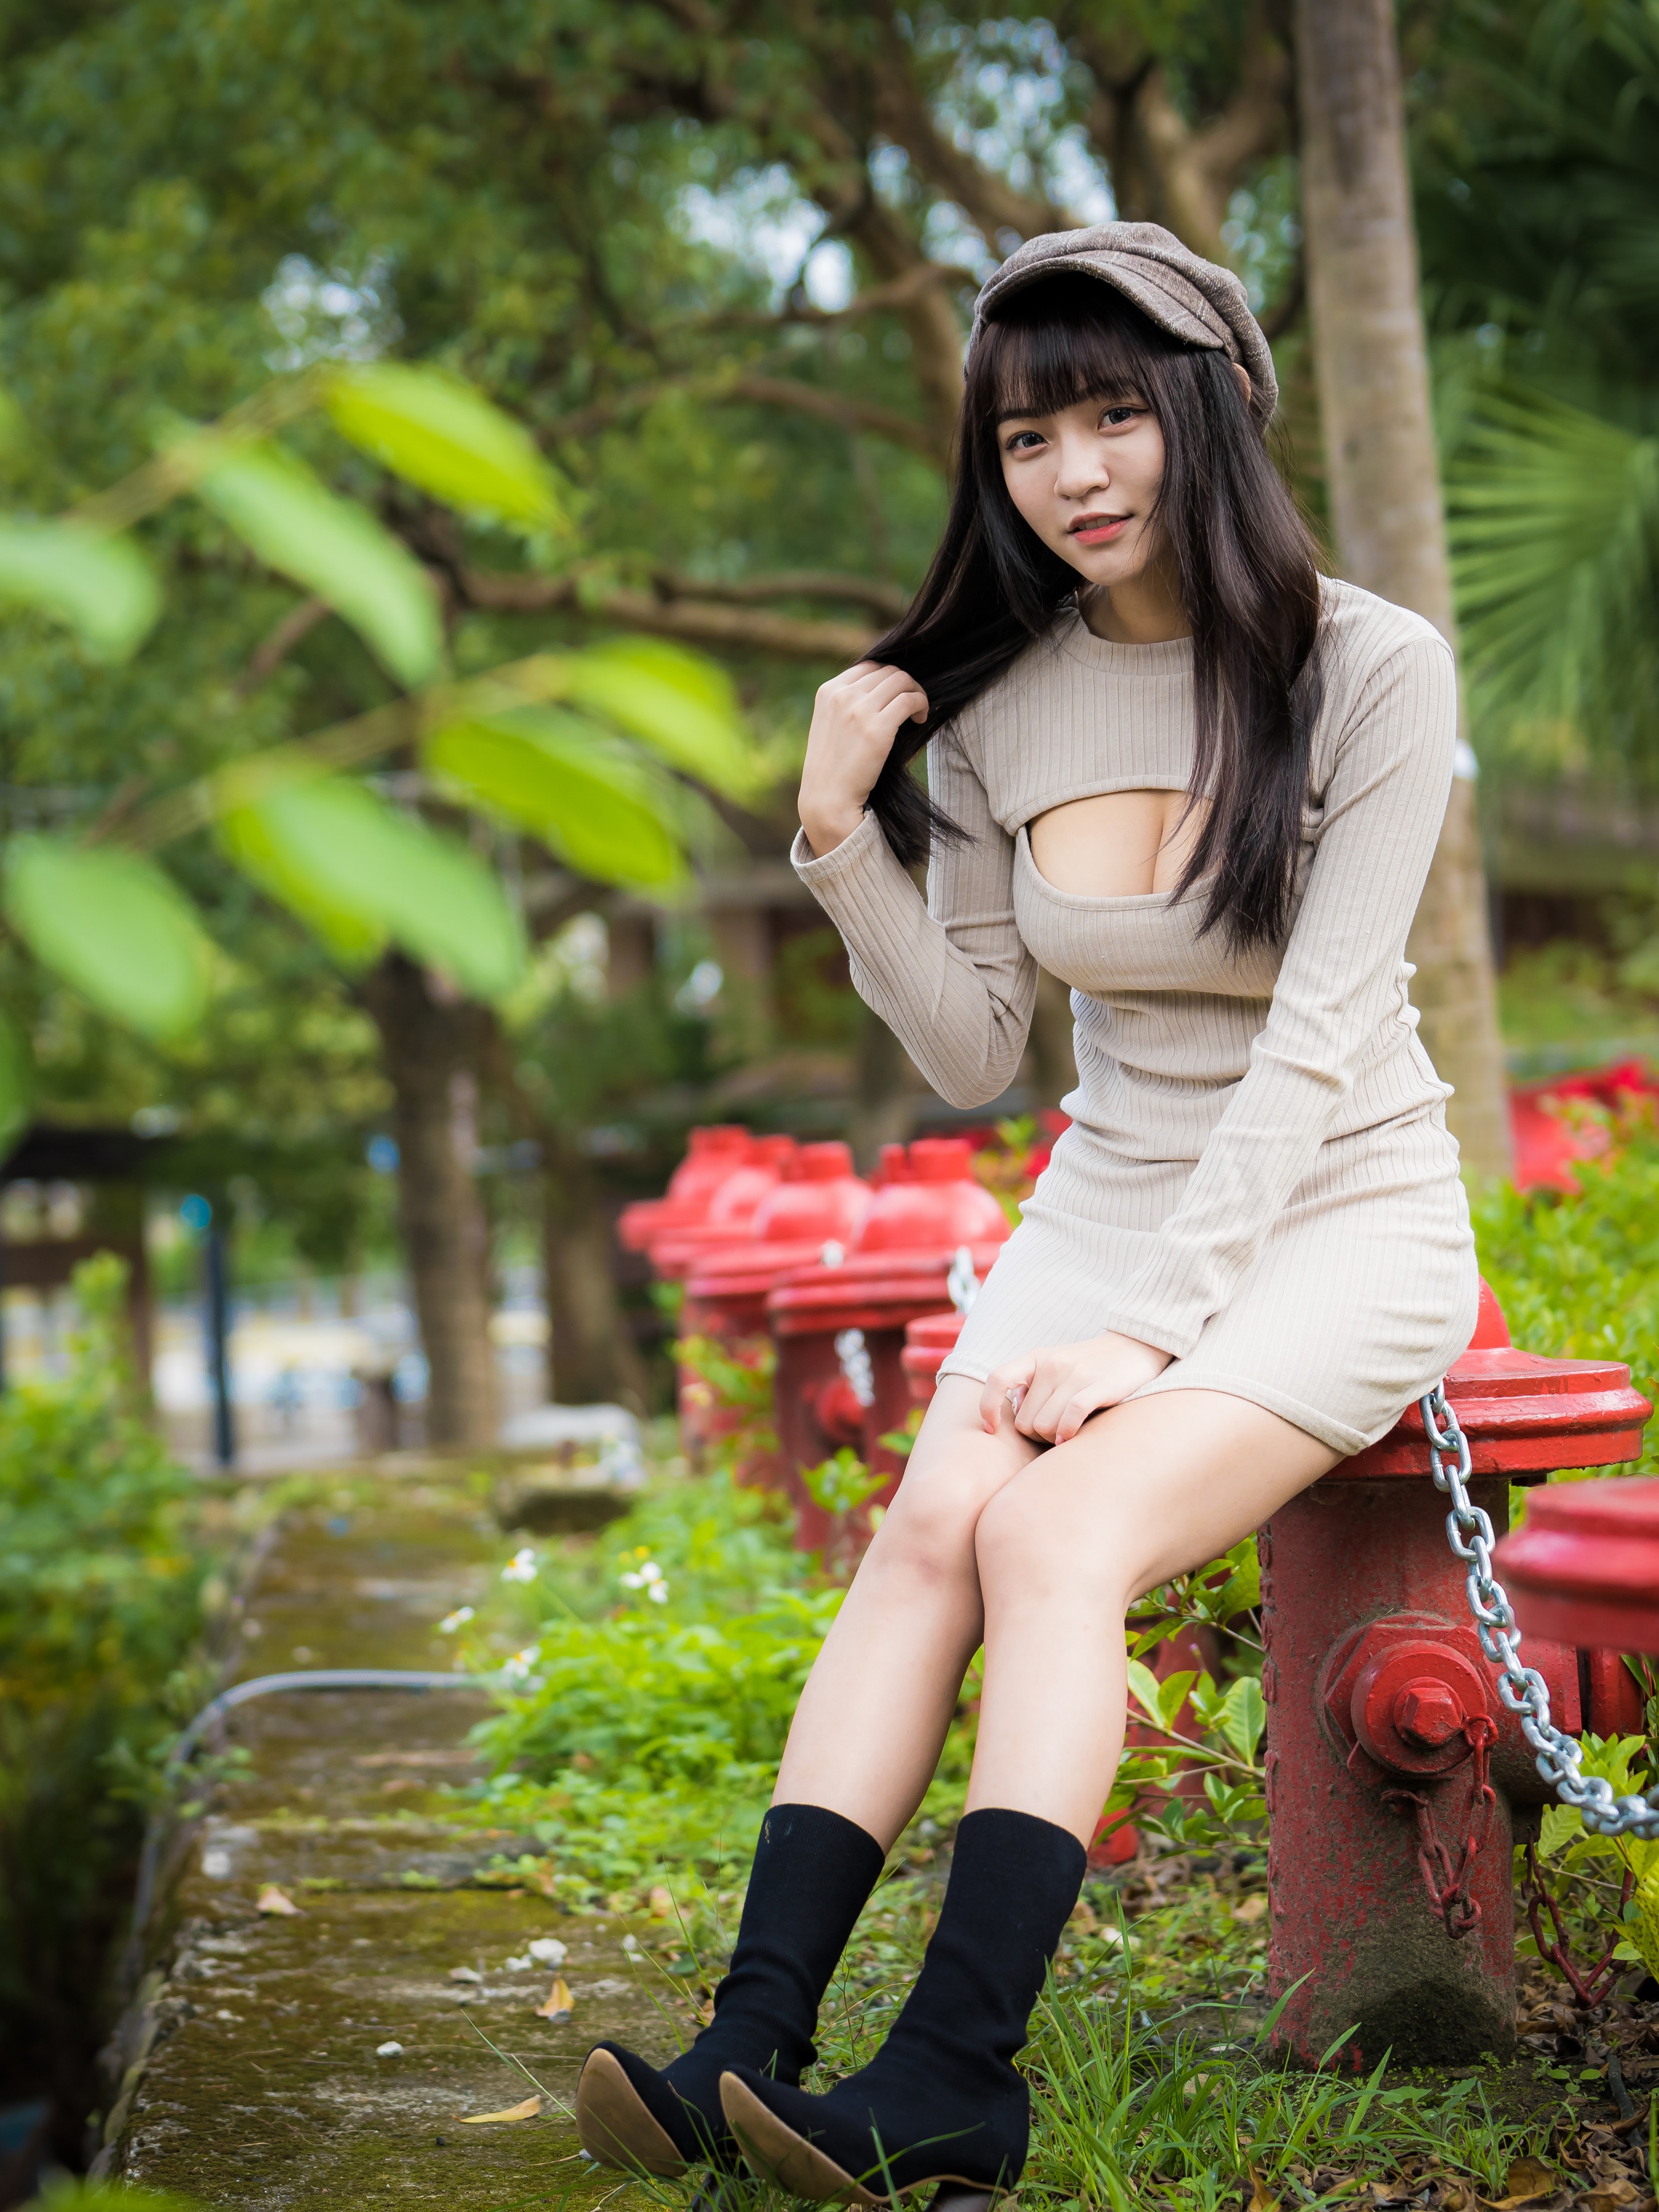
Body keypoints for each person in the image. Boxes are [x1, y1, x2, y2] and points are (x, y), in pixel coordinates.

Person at [577, 221, 1479, 2205]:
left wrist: (1148, 1334)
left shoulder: (1367, 669)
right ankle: (750, 2030)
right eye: (1023, 438)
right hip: (1100, 1195)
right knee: (924, 1529)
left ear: (1209, 412)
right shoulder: (998, 707)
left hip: (1336, 1209)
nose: (1071, 472)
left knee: (1056, 1526)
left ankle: (955, 2072)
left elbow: (1318, 1040)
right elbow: (976, 1047)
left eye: (1109, 417)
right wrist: (832, 830)